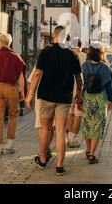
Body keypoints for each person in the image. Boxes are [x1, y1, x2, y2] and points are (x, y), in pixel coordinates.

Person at [30, 26, 83, 176]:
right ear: (66, 37)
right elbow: (79, 78)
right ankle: (60, 165)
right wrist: (79, 93)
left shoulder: (46, 52)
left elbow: (37, 74)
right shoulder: (72, 55)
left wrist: (29, 95)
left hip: (46, 96)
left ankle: (42, 159)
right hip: (64, 98)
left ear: (54, 35)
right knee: (60, 130)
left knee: (45, 128)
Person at [0, 33, 26, 156]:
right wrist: (23, 92)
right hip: (11, 88)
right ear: (10, 43)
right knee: (13, 115)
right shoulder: (16, 57)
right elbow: (21, 78)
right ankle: (9, 145)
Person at [81, 45, 112, 164]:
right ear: (101, 53)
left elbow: (81, 84)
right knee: (98, 125)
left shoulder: (84, 66)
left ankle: (87, 149)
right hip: (100, 98)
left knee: (87, 124)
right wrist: (110, 100)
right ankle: (92, 154)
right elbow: (110, 86)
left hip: (87, 98)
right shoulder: (105, 68)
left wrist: (79, 100)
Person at [67, 38, 87, 148]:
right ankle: (73, 138)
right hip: (80, 88)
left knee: (70, 113)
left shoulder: (67, 55)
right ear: (81, 45)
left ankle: (68, 136)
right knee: (78, 114)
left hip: (69, 87)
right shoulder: (84, 57)